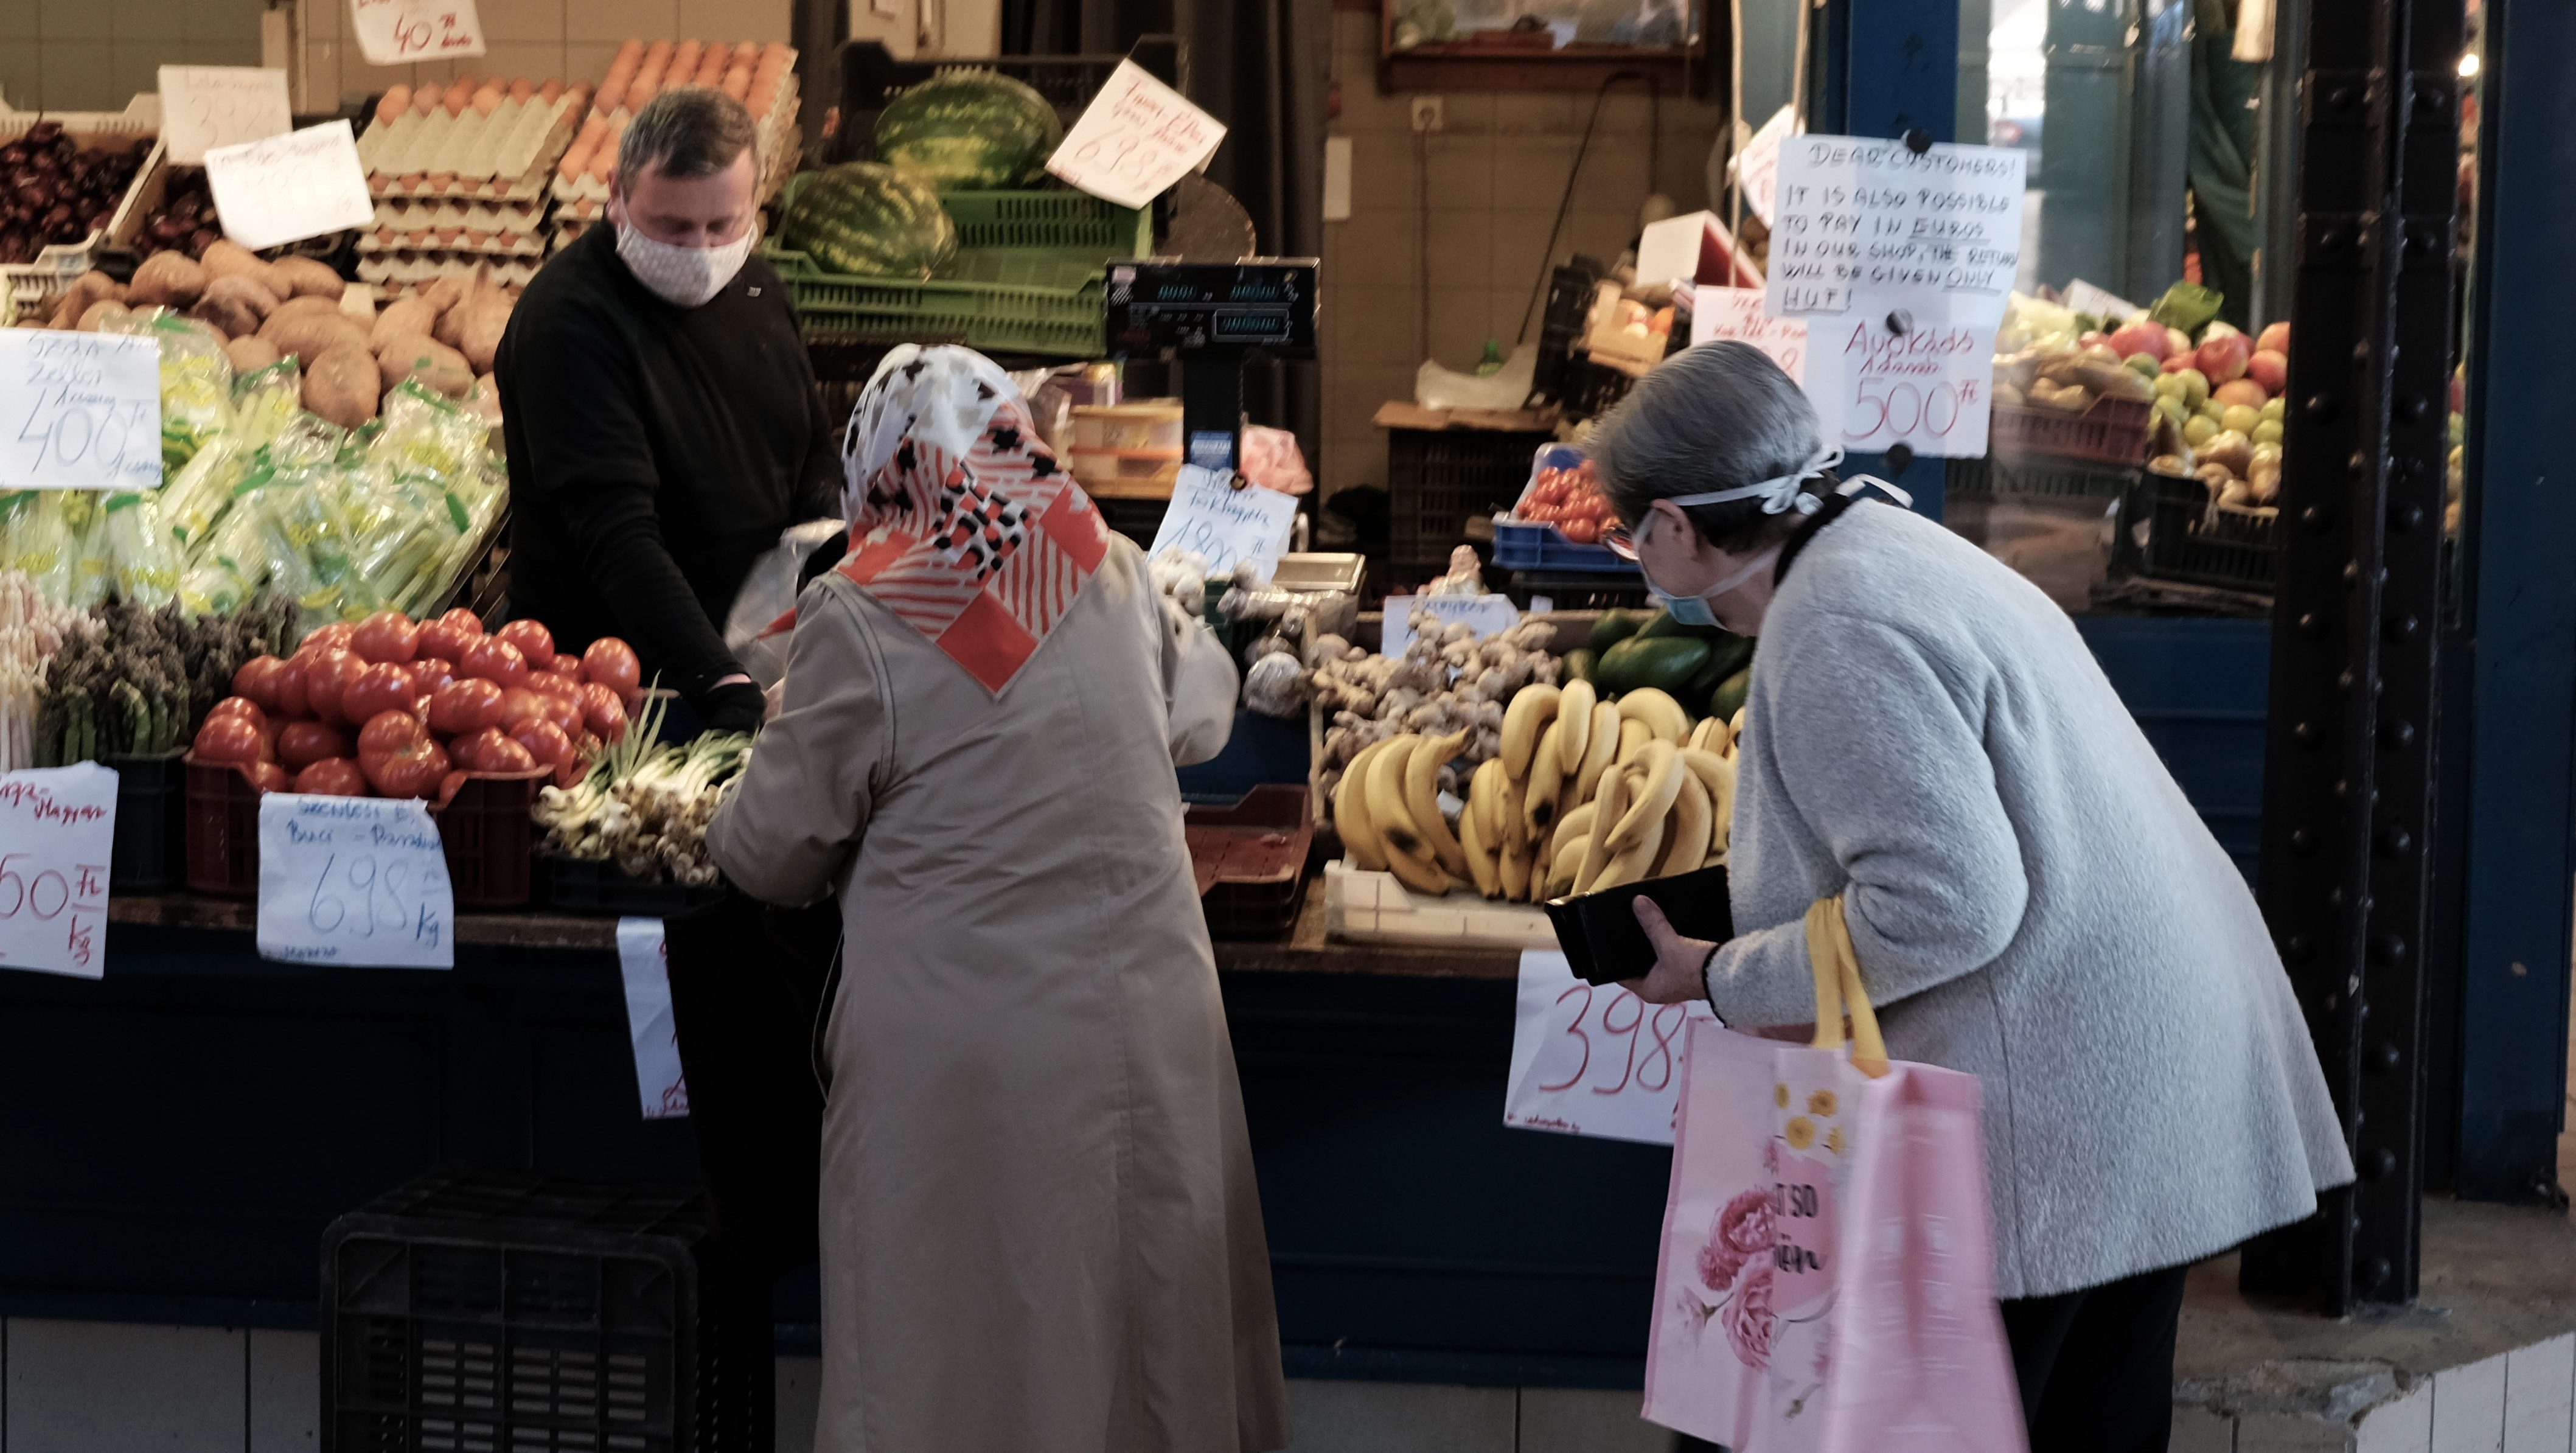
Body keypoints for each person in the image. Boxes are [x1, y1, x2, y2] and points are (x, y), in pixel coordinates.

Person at [1604, 343, 2353, 1452]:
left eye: (1629, 537)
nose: (1638, 563)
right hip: (2128, 1069)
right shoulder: (1887, 545)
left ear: (1671, 525)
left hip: (2055, 1104)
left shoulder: (1830, 627)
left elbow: (1946, 902)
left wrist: (1719, 974)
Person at [704, 346, 1292, 1453]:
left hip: (970, 1061)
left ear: (878, 473)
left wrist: (758, 758)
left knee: (969, 1362)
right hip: (1153, 1021)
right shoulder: (1105, 563)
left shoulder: (859, 609)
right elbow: (1202, 721)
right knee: (1145, 1344)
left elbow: (768, 853)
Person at [496, 87, 840, 734]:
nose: (701, 250)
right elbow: (617, 537)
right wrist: (722, 683)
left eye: (723, 225)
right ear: (616, 195)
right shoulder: (568, 322)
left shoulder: (759, 286)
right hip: (617, 692)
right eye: (673, 227)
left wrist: (828, 561)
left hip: (747, 663)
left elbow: (812, 446)